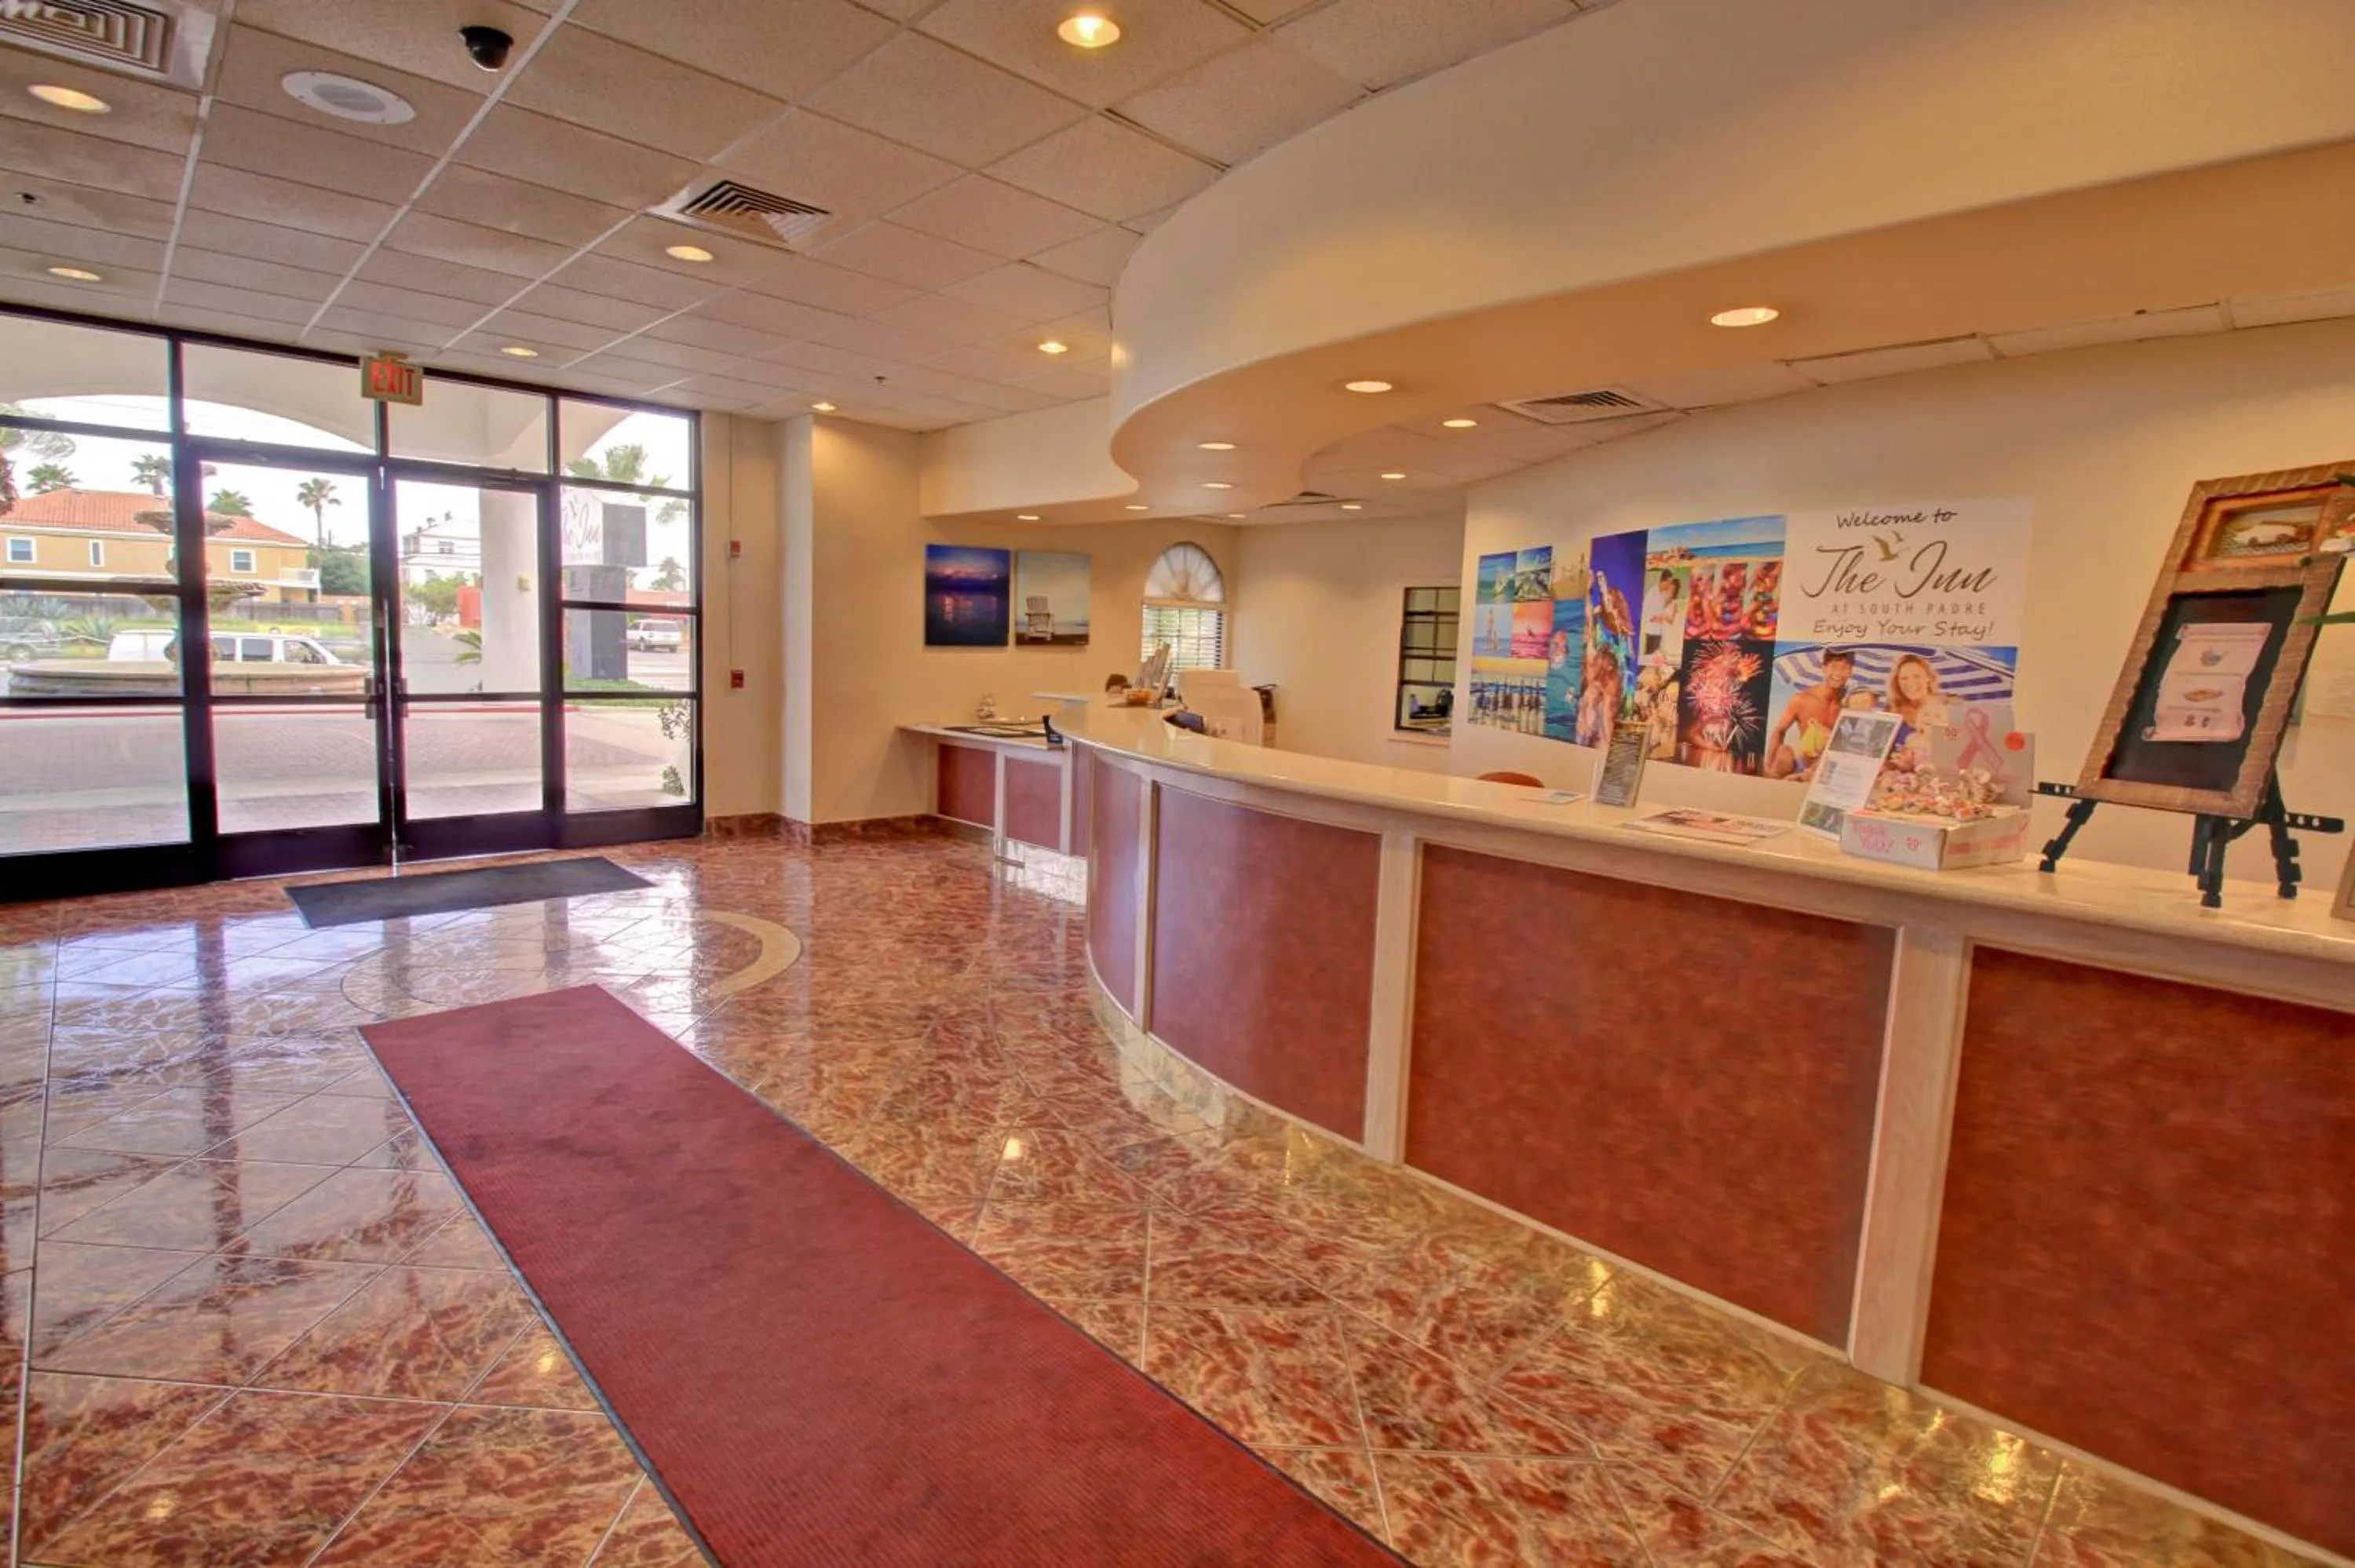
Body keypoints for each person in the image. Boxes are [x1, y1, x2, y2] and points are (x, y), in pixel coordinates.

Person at [1765, 647, 1856, 780]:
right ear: (1824, 669)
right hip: (1803, 764)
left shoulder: (1850, 703)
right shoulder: (1802, 699)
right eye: (1834, 666)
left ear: (1851, 672)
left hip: (1828, 768)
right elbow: (1779, 731)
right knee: (1784, 752)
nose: (1839, 673)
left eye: (1845, 668)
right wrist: (1770, 764)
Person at [1886, 653, 1950, 766]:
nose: (1910, 682)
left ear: (1929, 678)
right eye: (1904, 678)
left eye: (1917, 676)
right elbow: (1884, 756)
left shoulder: (1946, 708)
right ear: (1897, 683)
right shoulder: (1891, 712)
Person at [1639, 569, 1681, 665]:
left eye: (1672, 587)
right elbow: (1645, 610)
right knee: (1649, 658)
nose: (1670, 586)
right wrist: (1654, 618)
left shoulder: (1664, 595)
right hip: (1652, 632)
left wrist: (1662, 617)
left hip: (1660, 632)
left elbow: (1668, 616)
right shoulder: (1653, 592)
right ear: (1665, 581)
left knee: (1656, 659)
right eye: (1669, 582)